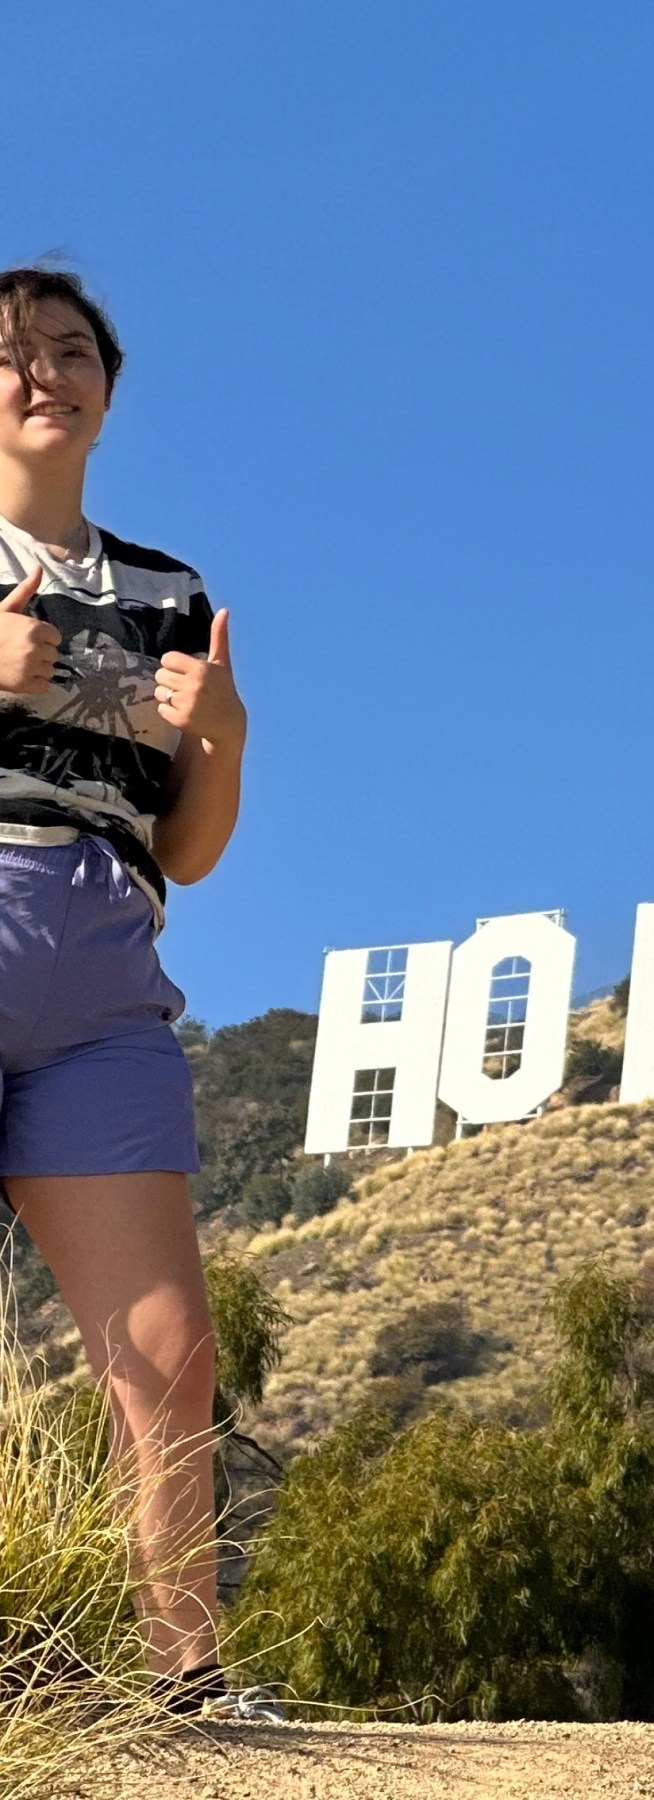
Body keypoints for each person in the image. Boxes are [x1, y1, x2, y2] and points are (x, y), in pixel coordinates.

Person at [0, 268, 272, 1719]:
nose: (44, 372)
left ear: (109, 384)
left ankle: (187, 1682)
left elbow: (189, 850)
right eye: (12, 356)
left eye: (70, 350)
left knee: (168, 1350)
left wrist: (222, 741)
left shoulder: (172, 592)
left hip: (107, 970)